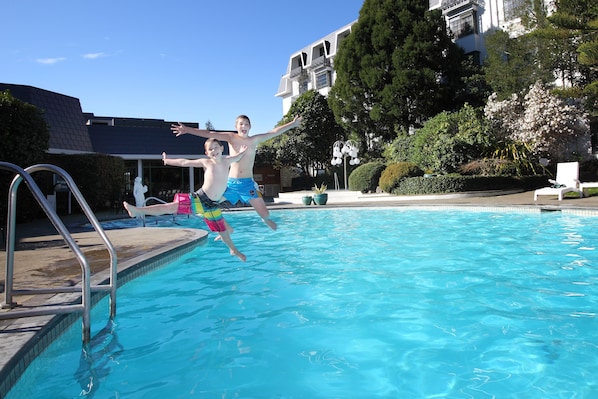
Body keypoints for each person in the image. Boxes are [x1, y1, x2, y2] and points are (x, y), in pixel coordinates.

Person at [171, 114, 303, 231]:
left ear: (250, 126)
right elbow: (209, 134)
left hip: (248, 184)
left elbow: (274, 132)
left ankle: (266, 220)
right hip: (231, 184)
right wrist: (187, 130)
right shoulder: (230, 137)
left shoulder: (254, 140)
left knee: (265, 214)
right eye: (241, 124)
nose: (244, 126)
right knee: (209, 205)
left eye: (246, 124)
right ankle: (222, 229)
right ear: (236, 126)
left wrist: (293, 124)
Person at [123, 138, 248, 261]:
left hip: (212, 205)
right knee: (171, 207)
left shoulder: (227, 161)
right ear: (207, 153)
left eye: (216, 147)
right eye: (210, 149)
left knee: (224, 231)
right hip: (199, 199)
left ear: (222, 148)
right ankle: (137, 211)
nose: (214, 150)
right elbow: (185, 162)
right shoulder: (207, 163)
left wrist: (242, 152)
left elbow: (238, 157)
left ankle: (234, 250)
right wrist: (168, 161)